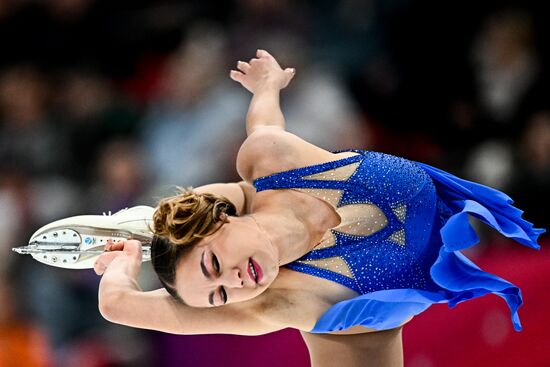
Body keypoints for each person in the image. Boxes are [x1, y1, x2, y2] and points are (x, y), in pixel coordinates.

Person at [55, 50, 543, 366]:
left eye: (213, 267)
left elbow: (265, 124)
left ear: (218, 220)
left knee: (251, 170)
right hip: (355, 327)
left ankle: (149, 232)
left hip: (438, 198)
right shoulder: (273, 303)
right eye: (220, 295)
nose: (235, 284)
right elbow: (116, 305)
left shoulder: (269, 160)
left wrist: (266, 86)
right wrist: (119, 268)